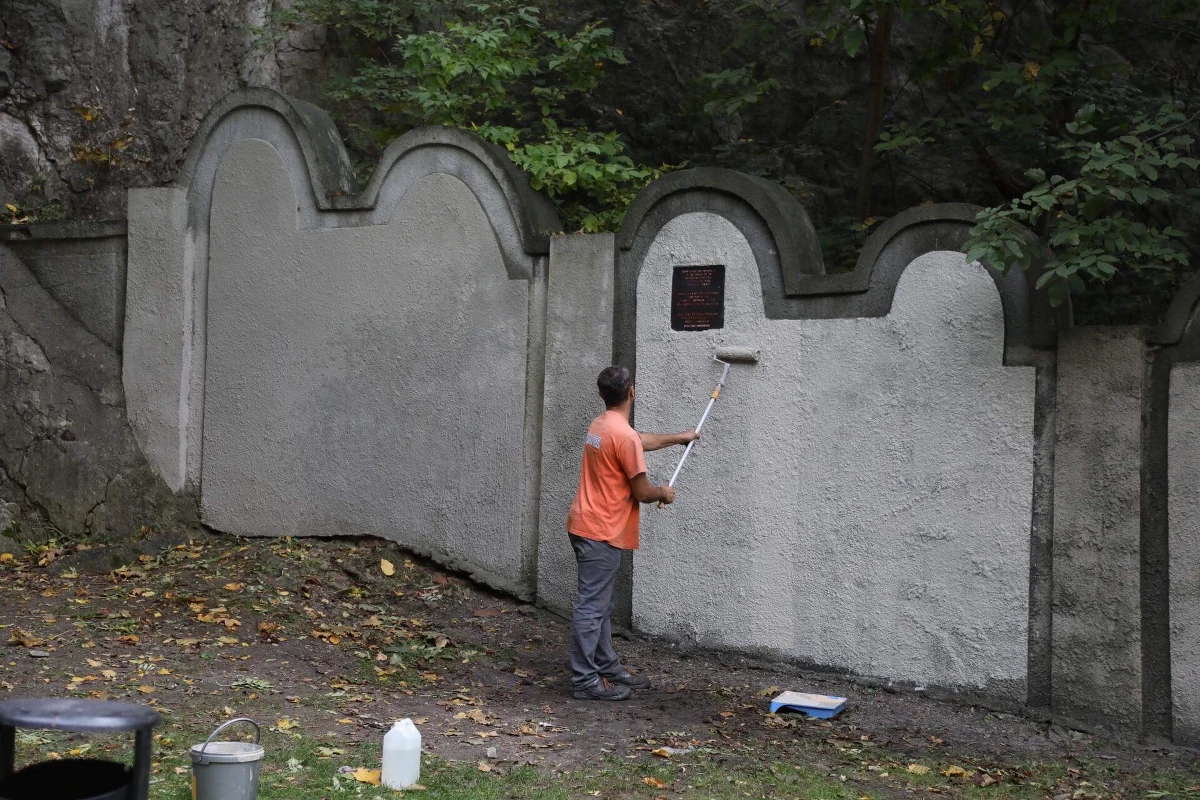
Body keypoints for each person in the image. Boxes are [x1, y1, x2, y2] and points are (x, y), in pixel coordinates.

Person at [565, 365, 698, 701]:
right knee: (592, 608)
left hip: (586, 524)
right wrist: (664, 493)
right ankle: (584, 681)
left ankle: (606, 664)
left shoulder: (602, 425)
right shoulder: (622, 436)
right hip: (601, 531)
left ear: (601, 395)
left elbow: (638, 441)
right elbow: (641, 492)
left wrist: (677, 438)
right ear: (632, 393)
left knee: (600, 604)